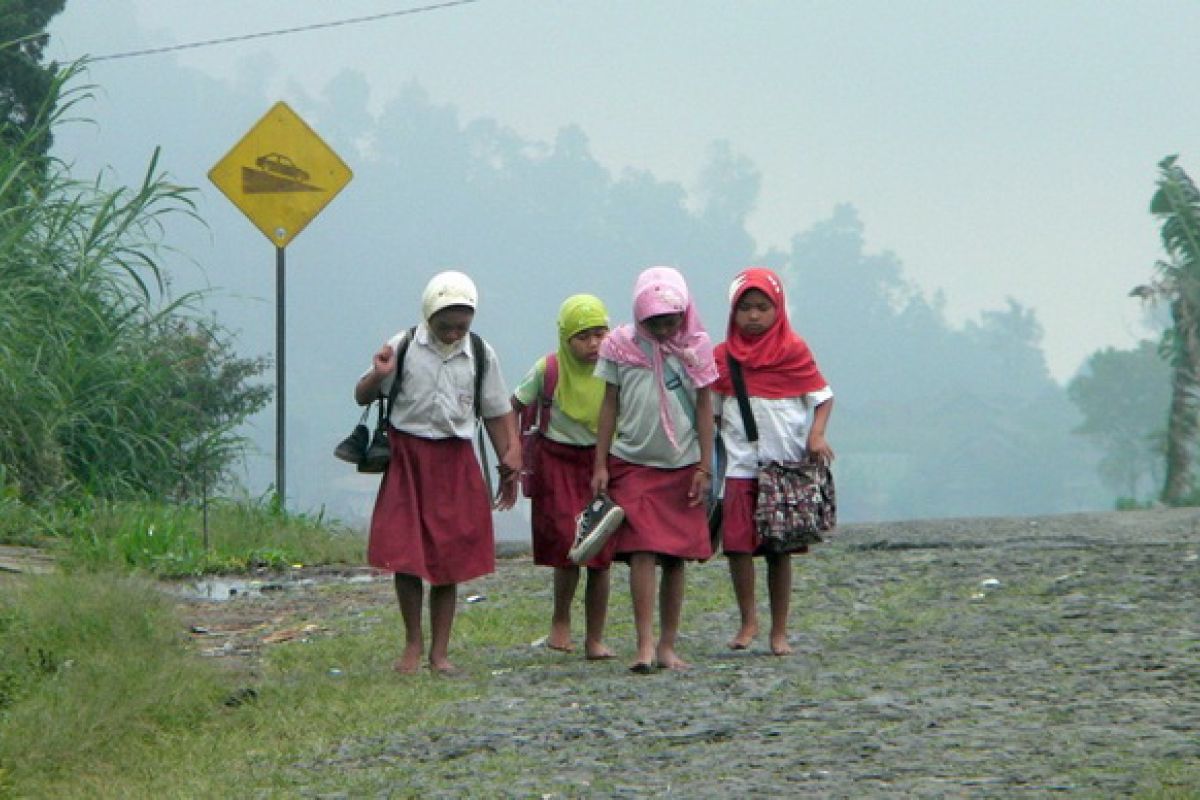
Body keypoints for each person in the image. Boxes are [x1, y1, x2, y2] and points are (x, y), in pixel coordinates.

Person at [355, 270, 521, 675]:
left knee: (448, 558)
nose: (452, 334)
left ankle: (440, 652)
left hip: (454, 461)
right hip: (407, 459)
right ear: (428, 317)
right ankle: (412, 643)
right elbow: (362, 394)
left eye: (460, 327)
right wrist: (378, 373)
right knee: (406, 555)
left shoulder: (480, 354)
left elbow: (498, 413)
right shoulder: (405, 345)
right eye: (444, 326)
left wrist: (511, 458)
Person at [591, 266, 718, 673]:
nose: (664, 329)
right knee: (641, 550)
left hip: (681, 463)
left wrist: (704, 463)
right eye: (654, 321)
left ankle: (667, 644)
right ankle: (643, 644)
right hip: (632, 461)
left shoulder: (696, 347)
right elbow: (609, 403)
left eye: (671, 319)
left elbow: (704, 406)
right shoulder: (619, 346)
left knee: (676, 555)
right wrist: (600, 463)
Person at [710, 267, 835, 656]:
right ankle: (748, 620)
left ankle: (779, 631)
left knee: (780, 550)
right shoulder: (722, 358)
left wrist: (816, 436)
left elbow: (822, 396)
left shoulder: (794, 351)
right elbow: (711, 411)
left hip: (786, 468)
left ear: (777, 309)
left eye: (762, 307)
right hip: (741, 467)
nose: (753, 316)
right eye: (745, 308)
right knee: (737, 546)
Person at [511, 294, 615, 660]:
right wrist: (510, 453)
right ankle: (560, 622)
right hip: (557, 462)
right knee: (566, 545)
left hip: (600, 463)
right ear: (566, 338)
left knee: (600, 552)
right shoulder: (548, 370)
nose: (593, 344)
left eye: (600, 334)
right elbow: (514, 404)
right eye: (582, 336)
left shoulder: (616, 369)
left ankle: (596, 637)